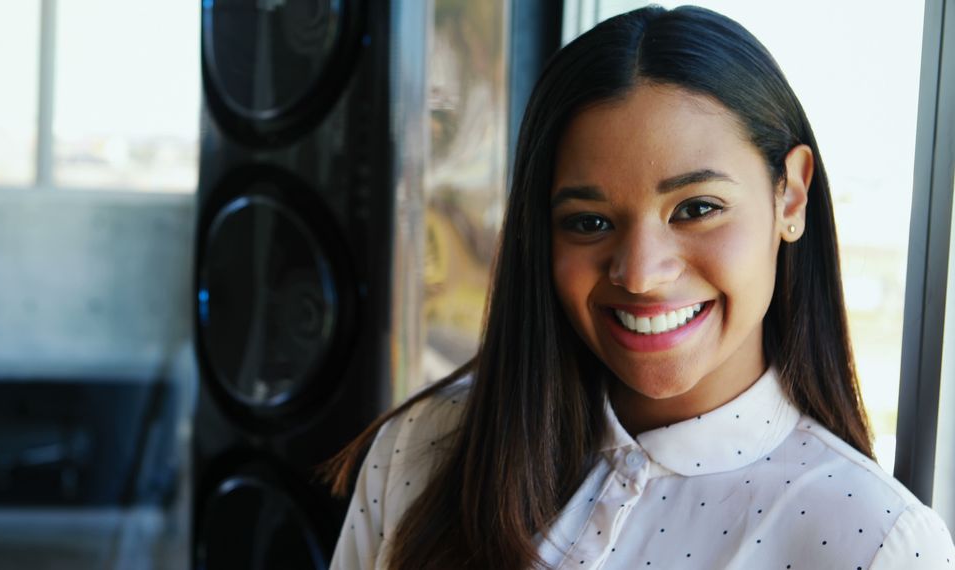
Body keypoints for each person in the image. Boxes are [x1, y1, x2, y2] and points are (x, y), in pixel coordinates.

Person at [325, 5, 955, 569]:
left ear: (790, 194)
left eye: (697, 208)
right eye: (589, 223)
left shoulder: (878, 544)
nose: (640, 273)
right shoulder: (421, 447)